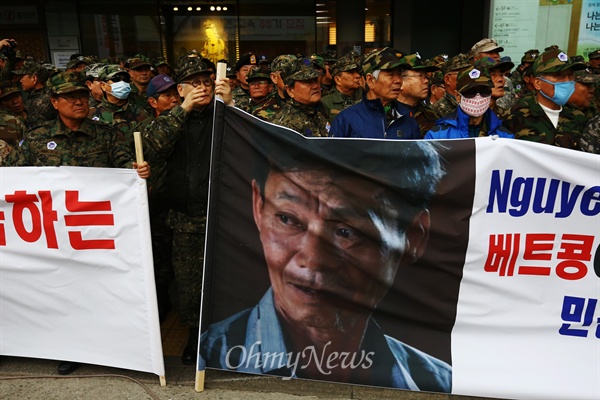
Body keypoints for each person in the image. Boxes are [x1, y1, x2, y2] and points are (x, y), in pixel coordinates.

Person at [200, 133, 451, 391]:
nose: (313, 259)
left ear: (413, 237)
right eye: (287, 219)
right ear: (258, 207)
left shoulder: (439, 384)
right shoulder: (207, 358)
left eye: (346, 232)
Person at [0, 70, 150, 375]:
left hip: (95, 233)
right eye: (70, 97)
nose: (79, 102)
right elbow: (9, 176)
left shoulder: (106, 135)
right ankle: (68, 346)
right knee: (59, 289)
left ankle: (103, 343)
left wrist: (138, 172)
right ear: (55, 102)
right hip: (53, 236)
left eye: (82, 96)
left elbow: (126, 170)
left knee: (96, 289)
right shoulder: (39, 139)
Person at [142, 56, 232, 365]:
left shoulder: (224, 115)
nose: (202, 88)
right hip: (185, 217)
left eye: (206, 82)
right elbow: (155, 146)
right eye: (194, 84)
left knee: (227, 275)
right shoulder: (171, 118)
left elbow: (246, 141)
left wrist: (229, 105)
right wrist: (183, 109)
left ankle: (226, 333)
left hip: (224, 214)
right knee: (189, 281)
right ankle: (195, 334)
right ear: (180, 89)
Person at [329, 47, 420, 139]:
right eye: (390, 74)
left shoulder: (407, 120)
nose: (398, 80)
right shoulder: (346, 120)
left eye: (399, 74)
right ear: (370, 80)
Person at [504, 48, 587, 149]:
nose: (567, 81)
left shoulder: (578, 117)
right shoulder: (515, 116)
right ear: (538, 83)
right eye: (559, 76)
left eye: (570, 75)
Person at [425, 66, 514, 139]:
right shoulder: (437, 136)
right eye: (470, 92)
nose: (478, 97)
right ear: (458, 96)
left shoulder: (504, 137)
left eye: (484, 92)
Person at [272, 57, 330, 137]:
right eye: (307, 82)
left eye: (315, 80)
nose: (315, 86)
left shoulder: (320, 109)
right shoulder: (284, 124)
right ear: (290, 90)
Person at [396, 53, 439, 137]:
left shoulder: (431, 115)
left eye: (426, 76)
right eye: (420, 76)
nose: (426, 81)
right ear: (401, 81)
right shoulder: (387, 114)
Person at [321, 50, 363, 124]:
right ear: (338, 80)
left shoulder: (365, 97)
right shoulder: (326, 103)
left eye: (357, 72)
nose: (357, 76)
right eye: (351, 72)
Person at [13, 60, 57, 128]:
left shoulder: (45, 100)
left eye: (22, 77)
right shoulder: (35, 95)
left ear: (34, 78)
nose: (20, 81)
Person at [252, 54, 296, 122]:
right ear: (274, 77)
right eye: (285, 72)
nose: (292, 77)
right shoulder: (261, 111)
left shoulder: (309, 104)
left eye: (296, 73)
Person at [431, 53, 471, 119]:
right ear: (447, 79)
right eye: (462, 73)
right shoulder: (437, 110)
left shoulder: (473, 103)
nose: (468, 76)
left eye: (469, 72)